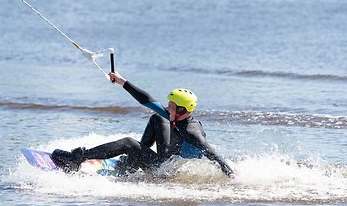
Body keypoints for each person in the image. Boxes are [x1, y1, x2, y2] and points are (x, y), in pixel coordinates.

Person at [50, 71, 234, 177]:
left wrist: (230, 174)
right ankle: (132, 162)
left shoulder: (193, 132)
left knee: (128, 143)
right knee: (157, 117)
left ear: (181, 110)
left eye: (170, 106)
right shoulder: (176, 116)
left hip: (167, 171)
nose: (167, 107)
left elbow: (212, 153)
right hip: (168, 156)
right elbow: (147, 100)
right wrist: (122, 81)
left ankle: (78, 159)